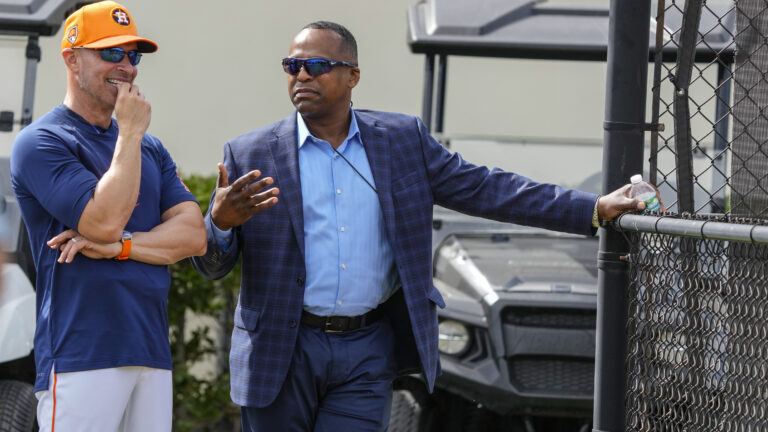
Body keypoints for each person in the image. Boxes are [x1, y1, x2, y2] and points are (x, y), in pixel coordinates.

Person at [191, 21, 643, 432]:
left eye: (317, 65)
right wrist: (221, 223)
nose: (301, 76)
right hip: (281, 350)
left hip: (365, 350)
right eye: (293, 65)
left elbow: (488, 189)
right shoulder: (249, 154)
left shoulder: (401, 141)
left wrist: (593, 208)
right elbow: (211, 265)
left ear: (352, 76)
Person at [9, 2, 207, 431]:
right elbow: (101, 221)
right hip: (81, 352)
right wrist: (131, 132)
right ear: (72, 59)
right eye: (111, 54)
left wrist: (121, 247)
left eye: (133, 55)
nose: (127, 67)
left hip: (150, 351)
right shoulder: (41, 141)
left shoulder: (149, 148)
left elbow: (193, 236)